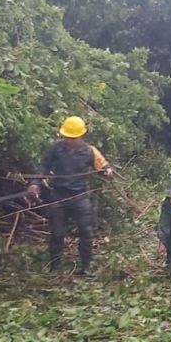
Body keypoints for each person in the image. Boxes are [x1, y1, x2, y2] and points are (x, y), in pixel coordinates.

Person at [27, 116, 112, 275]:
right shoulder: (55, 149)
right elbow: (42, 167)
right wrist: (34, 184)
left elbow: (104, 167)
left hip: (80, 196)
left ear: (81, 136)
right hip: (59, 196)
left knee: (86, 231)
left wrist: (107, 172)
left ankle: (86, 267)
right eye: (67, 137)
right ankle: (55, 266)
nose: (69, 140)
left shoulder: (90, 151)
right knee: (57, 232)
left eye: (73, 138)